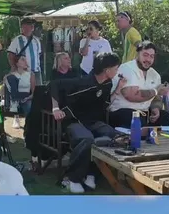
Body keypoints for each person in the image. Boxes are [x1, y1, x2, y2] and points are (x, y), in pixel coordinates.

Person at [51, 52, 123, 194]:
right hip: (73, 120)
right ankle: (73, 178)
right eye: (116, 68)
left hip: (93, 121)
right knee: (87, 138)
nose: (117, 71)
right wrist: (55, 108)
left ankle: (92, 172)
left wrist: (119, 88)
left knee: (114, 135)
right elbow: (54, 84)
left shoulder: (108, 83)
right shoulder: (82, 82)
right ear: (107, 70)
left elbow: (106, 104)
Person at [109, 41, 166, 129]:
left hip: (144, 114)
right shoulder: (127, 68)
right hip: (122, 112)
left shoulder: (155, 75)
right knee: (138, 122)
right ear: (137, 54)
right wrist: (156, 91)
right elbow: (131, 96)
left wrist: (155, 108)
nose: (148, 59)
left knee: (165, 117)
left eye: (151, 56)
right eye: (145, 55)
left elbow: (156, 99)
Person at [6, 17, 43, 86]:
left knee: (38, 90)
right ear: (22, 28)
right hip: (22, 72)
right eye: (24, 27)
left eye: (29, 27)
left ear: (32, 28)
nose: (27, 29)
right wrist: (13, 66)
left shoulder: (36, 40)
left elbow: (39, 54)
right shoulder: (17, 40)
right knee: (24, 90)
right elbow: (10, 54)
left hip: (36, 71)